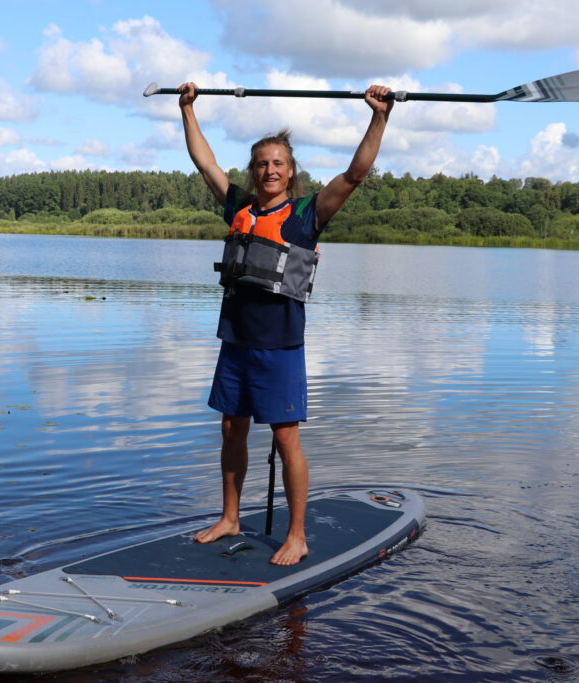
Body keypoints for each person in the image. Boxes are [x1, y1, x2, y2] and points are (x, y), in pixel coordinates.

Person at [178, 80, 394, 565]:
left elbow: (356, 173)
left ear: (290, 171)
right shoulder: (239, 208)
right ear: (254, 172)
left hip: (279, 346)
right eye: (262, 163)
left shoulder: (306, 215)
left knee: (284, 436)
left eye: (278, 163)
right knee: (231, 430)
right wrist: (188, 109)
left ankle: (297, 535)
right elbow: (204, 162)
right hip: (234, 341)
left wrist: (379, 116)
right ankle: (230, 517)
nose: (269, 169)